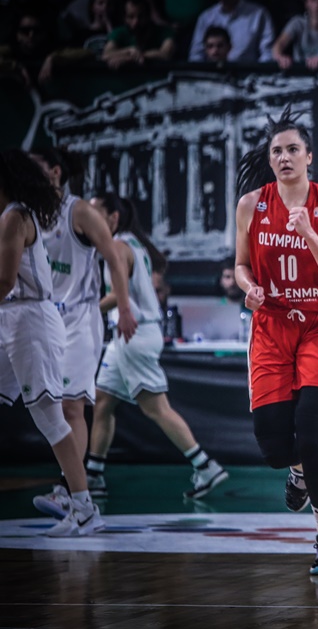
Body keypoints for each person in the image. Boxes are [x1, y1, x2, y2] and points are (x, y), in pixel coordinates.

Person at [234, 106, 318, 576]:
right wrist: (249, 288)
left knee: (311, 433)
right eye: (276, 151)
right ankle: (298, 470)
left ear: (309, 157)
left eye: (292, 149)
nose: (284, 157)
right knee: (274, 447)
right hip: (272, 326)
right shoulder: (251, 204)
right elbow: (241, 265)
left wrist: (308, 234)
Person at [85, 192, 228, 500]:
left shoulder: (118, 246)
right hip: (130, 335)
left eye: (95, 213)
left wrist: (82, 312)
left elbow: (117, 296)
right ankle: (93, 475)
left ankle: (205, 465)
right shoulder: (133, 243)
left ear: (113, 218)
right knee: (103, 401)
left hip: (133, 333)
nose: (88, 219)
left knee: (157, 409)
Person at [28, 148, 137, 522]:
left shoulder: (80, 211)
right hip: (43, 318)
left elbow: (115, 258)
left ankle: (70, 492)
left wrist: (124, 309)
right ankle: (73, 493)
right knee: (50, 406)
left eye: (35, 166)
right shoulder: (28, 213)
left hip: (80, 317)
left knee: (71, 406)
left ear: (56, 172)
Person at [0, 148, 104, 537]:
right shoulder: (9, 215)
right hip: (13, 318)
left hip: (30, 321)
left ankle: (83, 507)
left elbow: (5, 280)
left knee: (51, 416)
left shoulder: (15, 216)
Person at [188, 0, 275, 63]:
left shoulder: (258, 15)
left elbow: (267, 53)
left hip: (247, 70)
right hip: (211, 71)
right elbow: (196, 55)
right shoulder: (206, 18)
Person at [101, 0, 176, 69]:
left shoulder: (164, 32)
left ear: (148, 16)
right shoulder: (119, 32)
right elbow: (106, 55)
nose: (136, 22)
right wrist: (129, 51)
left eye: (140, 16)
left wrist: (131, 58)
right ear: (125, 18)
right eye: (131, 17)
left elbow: (166, 54)